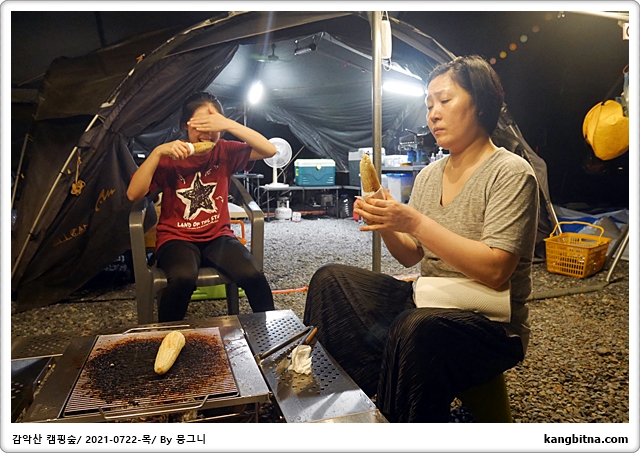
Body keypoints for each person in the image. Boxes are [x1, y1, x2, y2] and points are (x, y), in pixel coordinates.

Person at [303, 56, 539, 422]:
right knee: (330, 280)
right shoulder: (429, 175)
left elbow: (495, 271)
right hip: (429, 298)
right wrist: (386, 222)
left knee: (414, 328)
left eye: (444, 101)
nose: (433, 114)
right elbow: (411, 255)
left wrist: (413, 221)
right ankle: (339, 409)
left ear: (480, 103)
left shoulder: (510, 172)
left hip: (491, 322)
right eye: (429, 105)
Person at [127, 91, 276, 322]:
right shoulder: (170, 156)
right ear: (184, 125)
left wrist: (228, 124)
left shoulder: (225, 151)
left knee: (253, 274)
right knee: (183, 277)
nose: (207, 132)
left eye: (212, 124)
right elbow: (133, 194)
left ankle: (272, 337)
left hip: (218, 236)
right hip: (176, 238)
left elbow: (270, 150)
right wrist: (157, 153)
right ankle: (167, 336)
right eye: (200, 125)